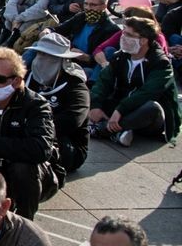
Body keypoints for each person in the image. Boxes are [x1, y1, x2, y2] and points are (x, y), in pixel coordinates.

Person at [0, 47, 62, 219]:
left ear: (16, 81)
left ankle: (24, 221)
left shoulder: (36, 106)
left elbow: (40, 149)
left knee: (23, 167)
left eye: (0, 79)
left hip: (31, 175)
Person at [89, 16, 181, 147]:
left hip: (147, 117)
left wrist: (120, 110)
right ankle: (119, 132)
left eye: (129, 34)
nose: (123, 37)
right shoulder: (120, 57)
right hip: (122, 107)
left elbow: (147, 93)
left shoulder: (161, 63)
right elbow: (103, 81)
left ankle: (103, 129)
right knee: (89, 92)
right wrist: (95, 106)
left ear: (143, 40)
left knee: (152, 107)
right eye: (124, 32)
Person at [24, 33, 91, 173]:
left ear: (63, 61)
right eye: (40, 54)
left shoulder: (76, 86)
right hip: (27, 133)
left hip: (66, 143)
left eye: (50, 57)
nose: (42, 60)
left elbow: (72, 120)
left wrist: (34, 127)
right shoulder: (28, 78)